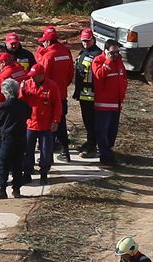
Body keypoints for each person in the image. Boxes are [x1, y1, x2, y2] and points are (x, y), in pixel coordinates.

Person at [0, 79, 31, 199]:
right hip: (21, 138)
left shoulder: (5, 106)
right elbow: (29, 114)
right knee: (17, 164)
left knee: (3, 163)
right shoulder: (24, 105)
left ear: (6, 92)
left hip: (8, 138)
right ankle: (16, 190)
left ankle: (2, 189)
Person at [37, 26, 74, 163]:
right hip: (62, 94)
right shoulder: (66, 51)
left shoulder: (48, 56)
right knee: (61, 124)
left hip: (49, 96)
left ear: (47, 42)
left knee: (48, 127)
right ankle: (65, 152)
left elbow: (42, 77)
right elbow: (70, 74)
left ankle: (48, 156)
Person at [19, 63, 61, 186]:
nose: (31, 78)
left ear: (42, 75)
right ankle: (27, 173)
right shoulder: (27, 84)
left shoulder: (52, 86)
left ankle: (44, 173)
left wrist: (55, 121)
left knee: (45, 150)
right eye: (30, 76)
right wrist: (21, 91)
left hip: (46, 125)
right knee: (28, 150)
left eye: (34, 76)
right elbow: (21, 102)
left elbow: (57, 106)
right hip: (30, 124)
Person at [91, 40, 127, 166]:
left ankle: (108, 151)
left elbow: (123, 80)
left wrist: (121, 99)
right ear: (106, 51)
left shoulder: (119, 62)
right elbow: (98, 75)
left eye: (117, 52)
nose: (115, 54)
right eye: (112, 52)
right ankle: (105, 156)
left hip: (116, 104)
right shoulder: (98, 61)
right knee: (102, 131)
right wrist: (108, 61)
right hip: (103, 105)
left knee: (113, 131)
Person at [72, 28, 102, 158]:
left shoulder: (98, 54)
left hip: (93, 94)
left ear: (93, 39)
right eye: (83, 41)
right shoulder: (82, 52)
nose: (85, 43)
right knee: (86, 120)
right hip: (83, 93)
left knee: (92, 121)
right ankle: (89, 142)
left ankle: (93, 145)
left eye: (88, 41)